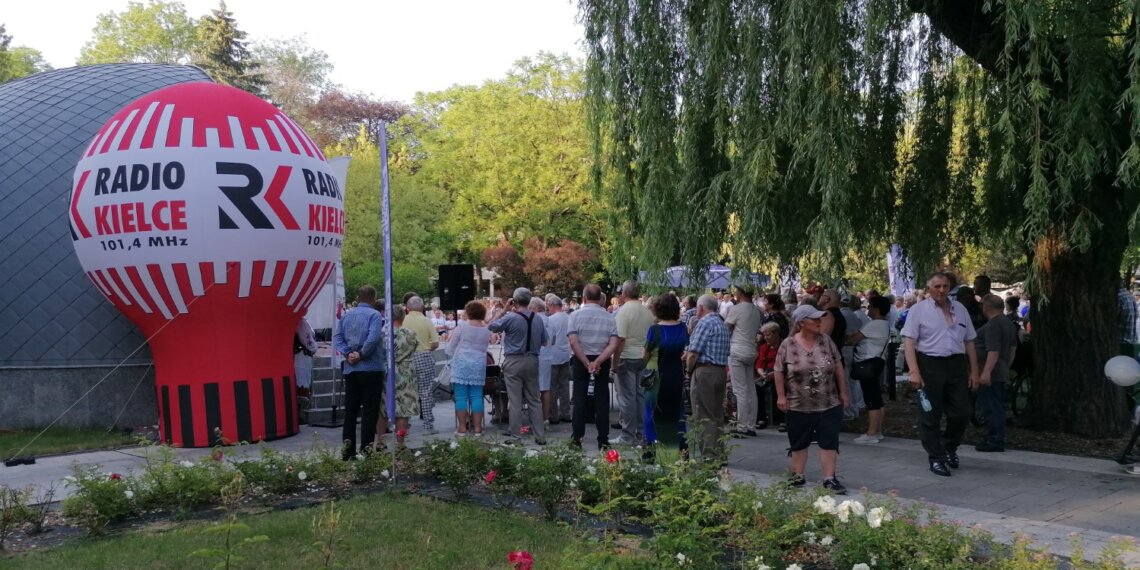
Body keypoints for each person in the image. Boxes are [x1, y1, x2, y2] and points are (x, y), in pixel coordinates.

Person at [901, 272, 980, 477]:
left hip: (956, 364)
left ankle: (949, 447)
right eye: (937, 286)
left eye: (945, 286)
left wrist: (974, 371)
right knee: (930, 414)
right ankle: (936, 458)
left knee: (962, 412)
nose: (941, 290)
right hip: (929, 363)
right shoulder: (918, 310)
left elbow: (969, 341)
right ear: (929, 288)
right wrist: (914, 371)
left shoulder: (959, 309)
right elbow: (909, 342)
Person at [774, 305, 850, 494]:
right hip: (798, 403)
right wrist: (781, 396)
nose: (819, 322)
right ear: (801, 323)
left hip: (828, 401)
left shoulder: (826, 341)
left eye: (820, 318)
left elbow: (838, 365)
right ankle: (797, 476)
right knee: (799, 441)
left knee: (829, 440)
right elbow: (778, 370)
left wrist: (843, 392)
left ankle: (829, 479)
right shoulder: (788, 344)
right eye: (814, 319)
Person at [489, 288, 548, 444]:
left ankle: (516, 436)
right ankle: (540, 435)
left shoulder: (511, 318)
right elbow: (545, 341)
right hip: (533, 360)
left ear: (513, 301)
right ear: (529, 301)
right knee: (534, 400)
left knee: (515, 400)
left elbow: (491, 326)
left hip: (514, 360)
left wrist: (503, 311)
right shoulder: (538, 319)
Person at [332, 286, 384, 460]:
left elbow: (337, 337)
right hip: (371, 368)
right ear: (374, 299)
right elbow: (373, 338)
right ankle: (366, 450)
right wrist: (361, 354)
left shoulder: (346, 315)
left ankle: (347, 451)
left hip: (351, 369)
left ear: (358, 298)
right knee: (370, 411)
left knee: (350, 411)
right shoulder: (375, 315)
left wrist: (348, 353)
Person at [568, 283, 620, 449]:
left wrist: (585, 361)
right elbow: (613, 344)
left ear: (584, 298)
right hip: (602, 359)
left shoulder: (575, 316)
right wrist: (598, 361)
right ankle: (603, 439)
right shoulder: (609, 317)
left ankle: (577, 438)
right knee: (602, 399)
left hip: (581, 359)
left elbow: (573, 342)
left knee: (579, 398)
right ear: (601, 299)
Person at [683, 294, 731, 464]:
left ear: (701, 308)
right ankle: (719, 453)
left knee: (704, 415)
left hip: (705, 372)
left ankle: (709, 456)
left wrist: (689, 371)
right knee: (716, 414)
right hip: (720, 371)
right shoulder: (722, 324)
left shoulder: (705, 322)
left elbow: (693, 352)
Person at [641, 293, 689, 459]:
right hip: (675, 373)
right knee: (676, 412)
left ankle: (651, 449)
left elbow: (645, 355)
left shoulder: (655, 330)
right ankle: (680, 450)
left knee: (652, 411)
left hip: (656, 376)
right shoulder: (683, 328)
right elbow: (685, 350)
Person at [614, 280, 654, 444]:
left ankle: (627, 435)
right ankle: (640, 431)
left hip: (627, 356)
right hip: (643, 357)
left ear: (624, 293)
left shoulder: (623, 312)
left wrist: (614, 362)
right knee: (639, 396)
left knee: (627, 398)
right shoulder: (647, 312)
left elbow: (620, 339)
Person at [848, 296, 892, 444]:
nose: (868, 309)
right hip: (877, 362)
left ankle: (871, 432)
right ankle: (877, 430)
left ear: (877, 309)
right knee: (876, 398)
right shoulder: (884, 324)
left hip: (868, 362)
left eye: (870, 306)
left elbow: (853, 339)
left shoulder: (874, 324)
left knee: (871, 399)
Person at [446, 300, 493, 436]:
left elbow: (450, 347)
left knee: (461, 397)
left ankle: (462, 427)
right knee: (477, 396)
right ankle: (478, 428)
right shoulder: (486, 329)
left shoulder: (462, 326)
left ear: (468, 312)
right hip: (478, 364)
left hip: (461, 364)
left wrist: (450, 350)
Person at [377, 305, 419, 449]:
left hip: (387, 370)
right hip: (405, 371)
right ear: (402, 317)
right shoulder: (410, 333)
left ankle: (380, 441)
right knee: (404, 409)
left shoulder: (382, 333)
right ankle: (400, 443)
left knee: (383, 407)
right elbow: (414, 348)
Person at [726, 285, 762, 436]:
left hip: (737, 350)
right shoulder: (757, 310)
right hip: (751, 350)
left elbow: (726, 326)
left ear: (740, 293)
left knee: (740, 389)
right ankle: (751, 424)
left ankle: (741, 426)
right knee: (750, 389)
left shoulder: (737, 308)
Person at [404, 296, 440, 433]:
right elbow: (435, 343)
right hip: (424, 356)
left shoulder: (403, 320)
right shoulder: (426, 321)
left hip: (406, 358)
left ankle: (404, 426)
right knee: (425, 392)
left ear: (408, 307)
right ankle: (428, 426)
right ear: (422, 307)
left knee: (406, 392)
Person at [544, 294, 573, 424]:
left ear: (552, 305)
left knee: (552, 387)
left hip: (553, 355)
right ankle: (565, 413)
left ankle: (553, 414)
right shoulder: (569, 318)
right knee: (564, 385)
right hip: (566, 354)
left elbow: (549, 340)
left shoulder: (551, 320)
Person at [755, 321, 785, 431]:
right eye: (764, 335)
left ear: (776, 333)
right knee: (756, 387)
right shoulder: (764, 347)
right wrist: (762, 372)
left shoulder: (783, 346)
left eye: (768, 335)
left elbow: (786, 364)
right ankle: (761, 418)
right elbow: (759, 365)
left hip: (781, 373)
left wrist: (775, 374)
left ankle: (782, 420)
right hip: (767, 373)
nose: (766, 338)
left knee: (779, 387)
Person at [530, 297, 552, 422]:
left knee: (534, 389)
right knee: (546, 388)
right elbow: (552, 340)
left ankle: (536, 418)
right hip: (548, 356)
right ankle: (545, 418)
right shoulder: (550, 320)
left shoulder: (535, 320)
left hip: (537, 355)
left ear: (536, 308)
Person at [818, 289, 847, 363]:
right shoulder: (840, 315)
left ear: (827, 299)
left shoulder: (828, 314)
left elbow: (822, 338)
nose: (820, 297)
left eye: (822, 296)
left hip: (828, 360)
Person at [294, 314, 318, 398]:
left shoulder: (299, 321)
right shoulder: (302, 323)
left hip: (299, 357)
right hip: (301, 358)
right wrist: (315, 348)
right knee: (302, 385)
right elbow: (309, 342)